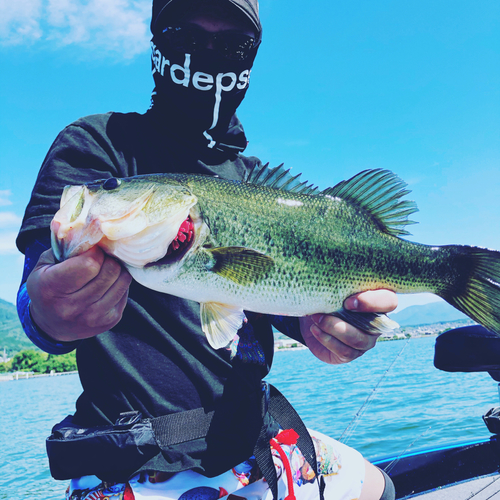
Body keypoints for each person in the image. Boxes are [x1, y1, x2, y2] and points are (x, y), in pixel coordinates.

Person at [16, 1, 397, 499]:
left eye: (233, 43)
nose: (209, 54)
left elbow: (267, 302)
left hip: (259, 442)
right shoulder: (97, 144)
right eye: (186, 37)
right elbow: (34, 297)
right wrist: (46, 311)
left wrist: (320, 325)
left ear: (252, 56)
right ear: (157, 46)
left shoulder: (251, 181)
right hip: (139, 462)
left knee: (381, 488)